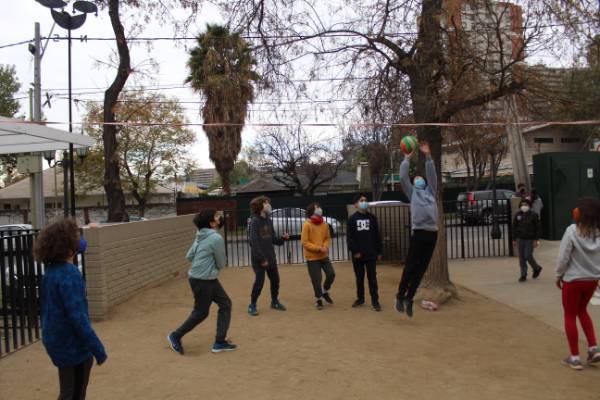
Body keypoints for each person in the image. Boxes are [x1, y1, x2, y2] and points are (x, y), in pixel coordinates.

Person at [35, 219, 107, 400]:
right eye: (76, 237)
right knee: (74, 394)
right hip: (73, 347)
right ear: (68, 246)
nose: (80, 241)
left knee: (67, 390)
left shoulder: (51, 272)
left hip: (56, 341)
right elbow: (79, 318)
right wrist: (97, 349)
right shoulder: (70, 274)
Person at [168, 209, 236, 355]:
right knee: (201, 312)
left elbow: (189, 256)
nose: (219, 217)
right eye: (216, 216)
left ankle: (219, 342)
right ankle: (175, 335)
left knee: (225, 304)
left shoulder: (200, 234)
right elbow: (221, 262)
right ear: (212, 223)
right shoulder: (215, 238)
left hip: (204, 278)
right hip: (203, 279)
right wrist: (208, 263)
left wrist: (204, 259)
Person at [556, 197, 600, 370]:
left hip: (573, 280)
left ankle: (574, 357)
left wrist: (558, 275)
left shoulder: (572, 231)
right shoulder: (598, 233)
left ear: (579, 214)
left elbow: (563, 257)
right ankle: (593, 348)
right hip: (592, 280)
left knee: (570, 315)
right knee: (582, 310)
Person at [396, 141, 438, 317]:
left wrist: (428, 156)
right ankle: (400, 296)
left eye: (420, 178)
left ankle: (409, 298)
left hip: (432, 234)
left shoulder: (431, 191)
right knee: (410, 267)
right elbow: (402, 177)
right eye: (416, 178)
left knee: (421, 270)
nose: (418, 179)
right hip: (419, 233)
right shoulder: (413, 192)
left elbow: (432, 175)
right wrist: (406, 159)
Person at [247, 196, 289, 316]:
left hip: (270, 257)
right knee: (259, 282)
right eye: (266, 203)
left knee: (275, 280)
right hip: (259, 259)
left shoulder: (269, 220)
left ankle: (274, 302)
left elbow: (274, 239)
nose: (268, 205)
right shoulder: (254, 221)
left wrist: (283, 238)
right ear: (260, 205)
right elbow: (254, 243)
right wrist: (262, 259)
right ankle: (252, 305)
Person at [347, 193, 382, 311]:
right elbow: (350, 238)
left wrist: (379, 251)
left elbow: (377, 236)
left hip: (371, 254)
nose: (364, 202)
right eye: (361, 200)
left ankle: (375, 301)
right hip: (358, 255)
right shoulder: (352, 219)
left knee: (372, 279)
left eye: (365, 200)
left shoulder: (372, 218)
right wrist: (355, 251)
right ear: (356, 204)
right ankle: (360, 298)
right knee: (359, 278)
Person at [301, 202, 336, 310]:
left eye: (320, 207)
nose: (320, 209)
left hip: (324, 256)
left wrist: (325, 246)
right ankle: (318, 299)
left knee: (331, 274)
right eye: (317, 207)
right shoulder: (307, 225)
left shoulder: (325, 224)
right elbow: (304, 242)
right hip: (312, 257)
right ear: (312, 210)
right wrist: (318, 248)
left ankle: (324, 291)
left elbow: (327, 238)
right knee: (316, 279)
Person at [512, 198, 543, 282]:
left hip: (530, 239)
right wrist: (514, 239)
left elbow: (538, 228)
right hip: (520, 238)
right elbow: (514, 227)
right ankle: (523, 275)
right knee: (521, 258)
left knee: (528, 255)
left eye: (525, 205)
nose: (524, 206)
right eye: (522, 205)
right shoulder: (518, 215)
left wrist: (536, 240)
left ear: (529, 206)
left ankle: (536, 268)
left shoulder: (533, 215)